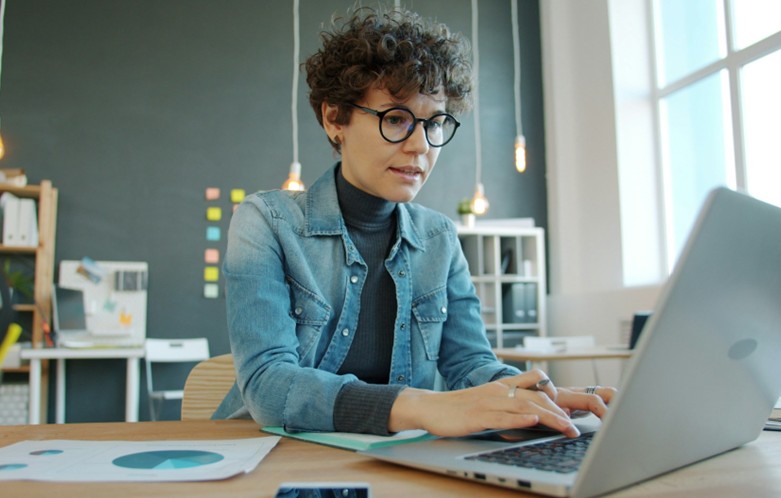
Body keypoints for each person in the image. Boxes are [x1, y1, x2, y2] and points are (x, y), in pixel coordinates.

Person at [214, 7, 614, 437]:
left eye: (435, 122)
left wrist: (527, 399)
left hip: (397, 462)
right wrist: (423, 407)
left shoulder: (439, 237)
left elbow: (469, 364)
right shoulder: (266, 222)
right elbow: (268, 384)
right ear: (335, 119)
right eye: (397, 119)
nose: (421, 145)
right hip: (267, 457)